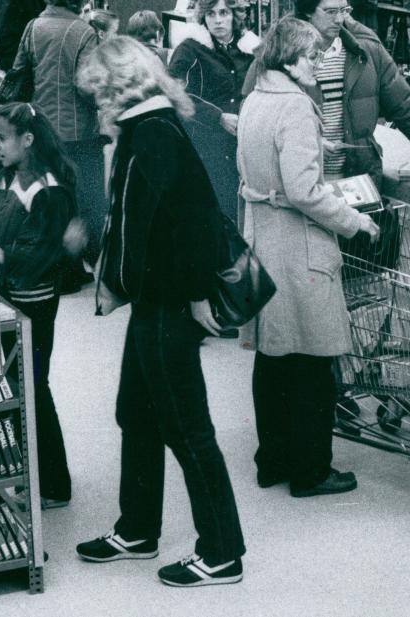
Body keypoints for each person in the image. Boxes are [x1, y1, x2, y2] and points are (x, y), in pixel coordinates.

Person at [74, 36, 246, 588]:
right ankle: (138, 527)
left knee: (187, 426)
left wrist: (196, 296)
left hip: (170, 302)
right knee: (137, 412)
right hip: (153, 300)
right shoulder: (145, 130)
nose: (95, 102)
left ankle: (221, 551)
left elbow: (195, 221)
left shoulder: (154, 136)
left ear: (117, 88)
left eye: (98, 91)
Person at [236, 16, 381, 497]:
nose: (319, 64)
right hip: (299, 247)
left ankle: (272, 459)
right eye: (313, 56)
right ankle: (312, 470)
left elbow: (264, 159)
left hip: (263, 238)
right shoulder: (298, 107)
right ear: (292, 61)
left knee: (273, 358)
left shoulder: (257, 97)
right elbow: (302, 190)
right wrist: (354, 221)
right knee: (314, 362)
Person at [245, 0, 410, 183]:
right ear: (307, 11)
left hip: (358, 180)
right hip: (301, 183)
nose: (340, 19)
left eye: (344, 10)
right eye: (330, 12)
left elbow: (406, 109)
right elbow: (253, 124)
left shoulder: (366, 51)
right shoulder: (275, 55)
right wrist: (306, 144)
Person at [0, 101, 80, 510]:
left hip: (36, 303)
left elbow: (41, 255)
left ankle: (54, 485)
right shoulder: (6, 178)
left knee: (33, 388)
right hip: (11, 298)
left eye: (2, 138)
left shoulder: (48, 189)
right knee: (21, 389)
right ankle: (36, 476)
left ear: (27, 140)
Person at [9, 0, 105, 267]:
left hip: (40, 130)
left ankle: (57, 266)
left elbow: (18, 75)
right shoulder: (84, 32)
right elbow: (86, 86)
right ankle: (85, 260)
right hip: (78, 133)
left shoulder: (33, 26)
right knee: (86, 201)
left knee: (50, 199)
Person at [169, 0, 260, 223]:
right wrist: (217, 115)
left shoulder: (250, 50)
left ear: (234, 15)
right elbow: (172, 93)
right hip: (205, 147)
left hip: (245, 146)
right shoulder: (190, 48)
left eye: (223, 13)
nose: (218, 20)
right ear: (203, 17)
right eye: (211, 14)